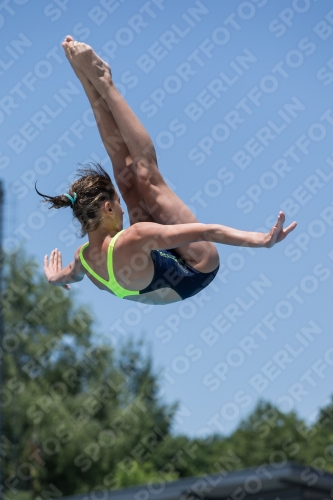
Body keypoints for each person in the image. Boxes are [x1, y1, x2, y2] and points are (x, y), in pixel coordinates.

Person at [37, 36, 297, 306]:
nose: (124, 208)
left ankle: (88, 84)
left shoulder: (83, 261)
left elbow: (70, 275)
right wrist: (261, 240)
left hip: (152, 261)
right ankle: (103, 81)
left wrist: (55, 278)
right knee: (147, 177)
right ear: (108, 209)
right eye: (118, 203)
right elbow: (207, 232)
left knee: (126, 181)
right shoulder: (134, 237)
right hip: (196, 267)